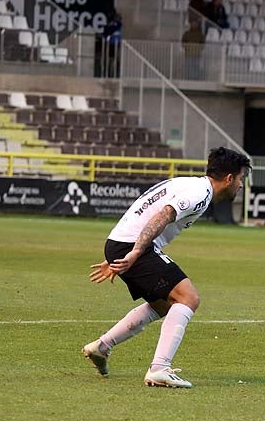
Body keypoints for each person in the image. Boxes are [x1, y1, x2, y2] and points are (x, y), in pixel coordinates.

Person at [82, 148, 251, 388]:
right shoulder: (199, 193)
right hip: (133, 245)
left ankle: (101, 347)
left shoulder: (192, 185)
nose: (241, 185)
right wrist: (135, 252)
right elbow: (163, 214)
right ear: (229, 178)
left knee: (163, 305)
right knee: (188, 298)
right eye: (241, 178)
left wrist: (117, 251)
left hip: (123, 243)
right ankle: (159, 369)